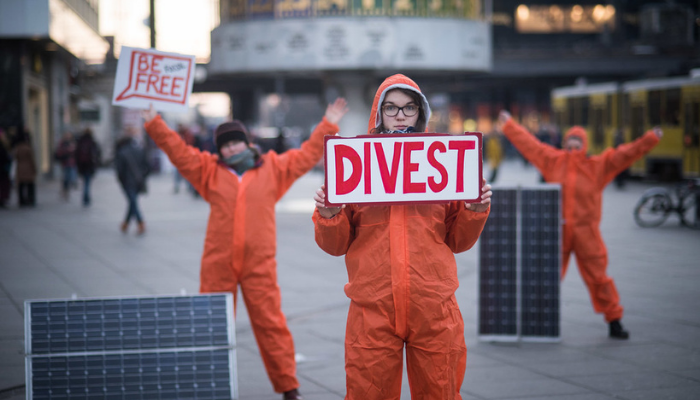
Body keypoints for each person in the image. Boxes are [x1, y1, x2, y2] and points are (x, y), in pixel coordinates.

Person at [141, 97, 349, 400]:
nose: (231, 149)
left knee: (271, 325)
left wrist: (328, 123)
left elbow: (307, 154)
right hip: (218, 262)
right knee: (210, 325)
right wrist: (154, 123)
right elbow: (178, 151)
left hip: (259, 263)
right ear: (219, 150)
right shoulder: (207, 170)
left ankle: (289, 387)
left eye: (236, 143)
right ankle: (209, 383)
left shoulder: (273, 168)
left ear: (246, 143)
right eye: (225, 146)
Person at [313, 74, 492, 400]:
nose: (399, 115)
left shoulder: (445, 165)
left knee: (440, 393)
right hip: (372, 309)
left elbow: (458, 241)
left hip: (433, 306)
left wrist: (475, 210)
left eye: (408, 108)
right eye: (391, 108)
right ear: (378, 114)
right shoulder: (356, 168)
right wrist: (329, 216)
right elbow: (336, 246)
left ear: (420, 114)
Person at [498, 110, 663, 339]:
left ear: (584, 144)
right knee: (547, 278)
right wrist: (509, 126)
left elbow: (625, 154)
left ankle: (614, 320)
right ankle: (537, 320)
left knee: (599, 279)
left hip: (588, 234)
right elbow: (530, 145)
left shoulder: (598, 166)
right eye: (570, 140)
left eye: (578, 141)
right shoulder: (552, 160)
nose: (574, 144)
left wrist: (650, 139)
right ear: (565, 142)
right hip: (558, 232)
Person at [114, 126, 150, 235]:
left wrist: (122, 181)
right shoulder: (139, 149)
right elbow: (148, 166)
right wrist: (143, 176)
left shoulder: (122, 152)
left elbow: (119, 170)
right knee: (132, 202)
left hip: (128, 182)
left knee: (132, 202)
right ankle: (126, 223)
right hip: (138, 180)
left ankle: (140, 222)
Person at [75, 128, 101, 206]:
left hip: (82, 165)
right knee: (87, 182)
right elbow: (97, 154)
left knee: (85, 182)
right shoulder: (92, 142)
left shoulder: (80, 141)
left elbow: (76, 154)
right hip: (90, 165)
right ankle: (86, 198)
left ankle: (85, 197)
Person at [13, 131, 37, 207]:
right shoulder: (28, 148)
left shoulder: (18, 148)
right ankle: (31, 199)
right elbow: (32, 159)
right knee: (30, 184)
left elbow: (15, 157)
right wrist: (34, 168)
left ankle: (21, 200)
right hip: (28, 167)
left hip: (20, 167)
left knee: (21, 185)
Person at [54, 131, 77, 200]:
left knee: (71, 177)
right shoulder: (62, 143)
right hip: (65, 163)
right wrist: (67, 150)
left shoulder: (73, 142)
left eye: (69, 135)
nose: (68, 136)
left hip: (72, 163)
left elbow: (76, 152)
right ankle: (65, 190)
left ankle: (67, 189)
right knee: (65, 177)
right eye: (67, 135)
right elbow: (59, 152)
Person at [0, 128, 12, 208]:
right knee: (3, 185)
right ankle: (2, 199)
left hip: (3, 169)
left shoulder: (4, 145)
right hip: (2, 169)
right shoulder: (2, 145)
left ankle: (2, 199)